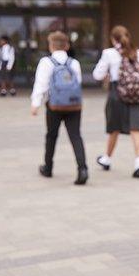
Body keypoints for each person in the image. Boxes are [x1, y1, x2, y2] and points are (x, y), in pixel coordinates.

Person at [31, 30, 88, 185]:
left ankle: (48, 167)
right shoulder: (74, 63)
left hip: (54, 106)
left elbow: (41, 84)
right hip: (74, 105)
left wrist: (35, 104)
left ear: (51, 46)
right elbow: (78, 83)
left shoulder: (46, 62)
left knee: (51, 136)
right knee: (76, 136)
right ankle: (82, 169)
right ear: (67, 46)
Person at [93, 25, 139, 178]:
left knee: (114, 128)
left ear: (113, 39)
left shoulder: (109, 53)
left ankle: (107, 158)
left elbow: (97, 75)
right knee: (136, 129)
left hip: (117, 93)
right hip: (136, 94)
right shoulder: (138, 52)